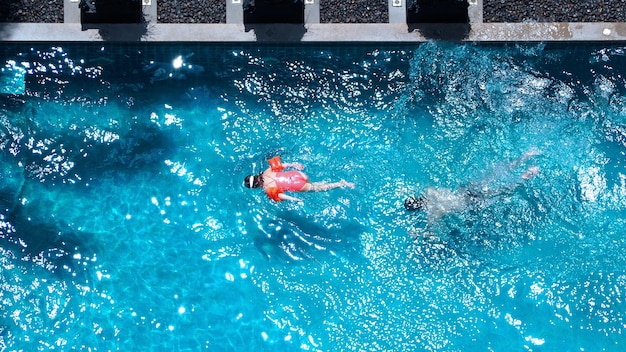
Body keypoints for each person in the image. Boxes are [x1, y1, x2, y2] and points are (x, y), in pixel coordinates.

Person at [404, 149, 541, 220]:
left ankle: (528, 174)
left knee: (503, 191)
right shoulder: (430, 192)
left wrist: (419, 234)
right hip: (464, 189)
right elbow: (426, 184)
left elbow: (432, 233)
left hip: (470, 202)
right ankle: (526, 156)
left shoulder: (434, 212)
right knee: (495, 173)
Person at [244, 156, 354, 203]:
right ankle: (323, 183)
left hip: (297, 185)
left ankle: (341, 183)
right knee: (314, 184)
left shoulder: (267, 188)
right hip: (297, 174)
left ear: (256, 186)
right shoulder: (267, 171)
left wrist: (295, 199)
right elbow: (282, 165)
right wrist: (294, 164)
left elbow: (281, 196)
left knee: (319, 189)